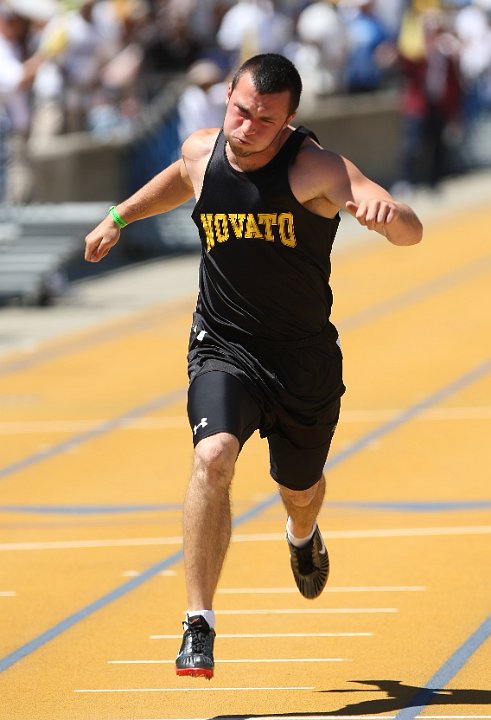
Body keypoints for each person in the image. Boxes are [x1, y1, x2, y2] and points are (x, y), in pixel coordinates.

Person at [84, 53, 423, 680]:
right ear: (228, 100)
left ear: (289, 121)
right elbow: (181, 177)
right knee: (212, 457)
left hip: (301, 359)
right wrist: (118, 217)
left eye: (265, 120)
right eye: (240, 111)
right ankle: (198, 623)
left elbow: (409, 230)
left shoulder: (315, 167)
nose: (247, 127)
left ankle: (302, 536)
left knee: (299, 491)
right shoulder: (202, 150)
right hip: (222, 344)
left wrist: (389, 216)